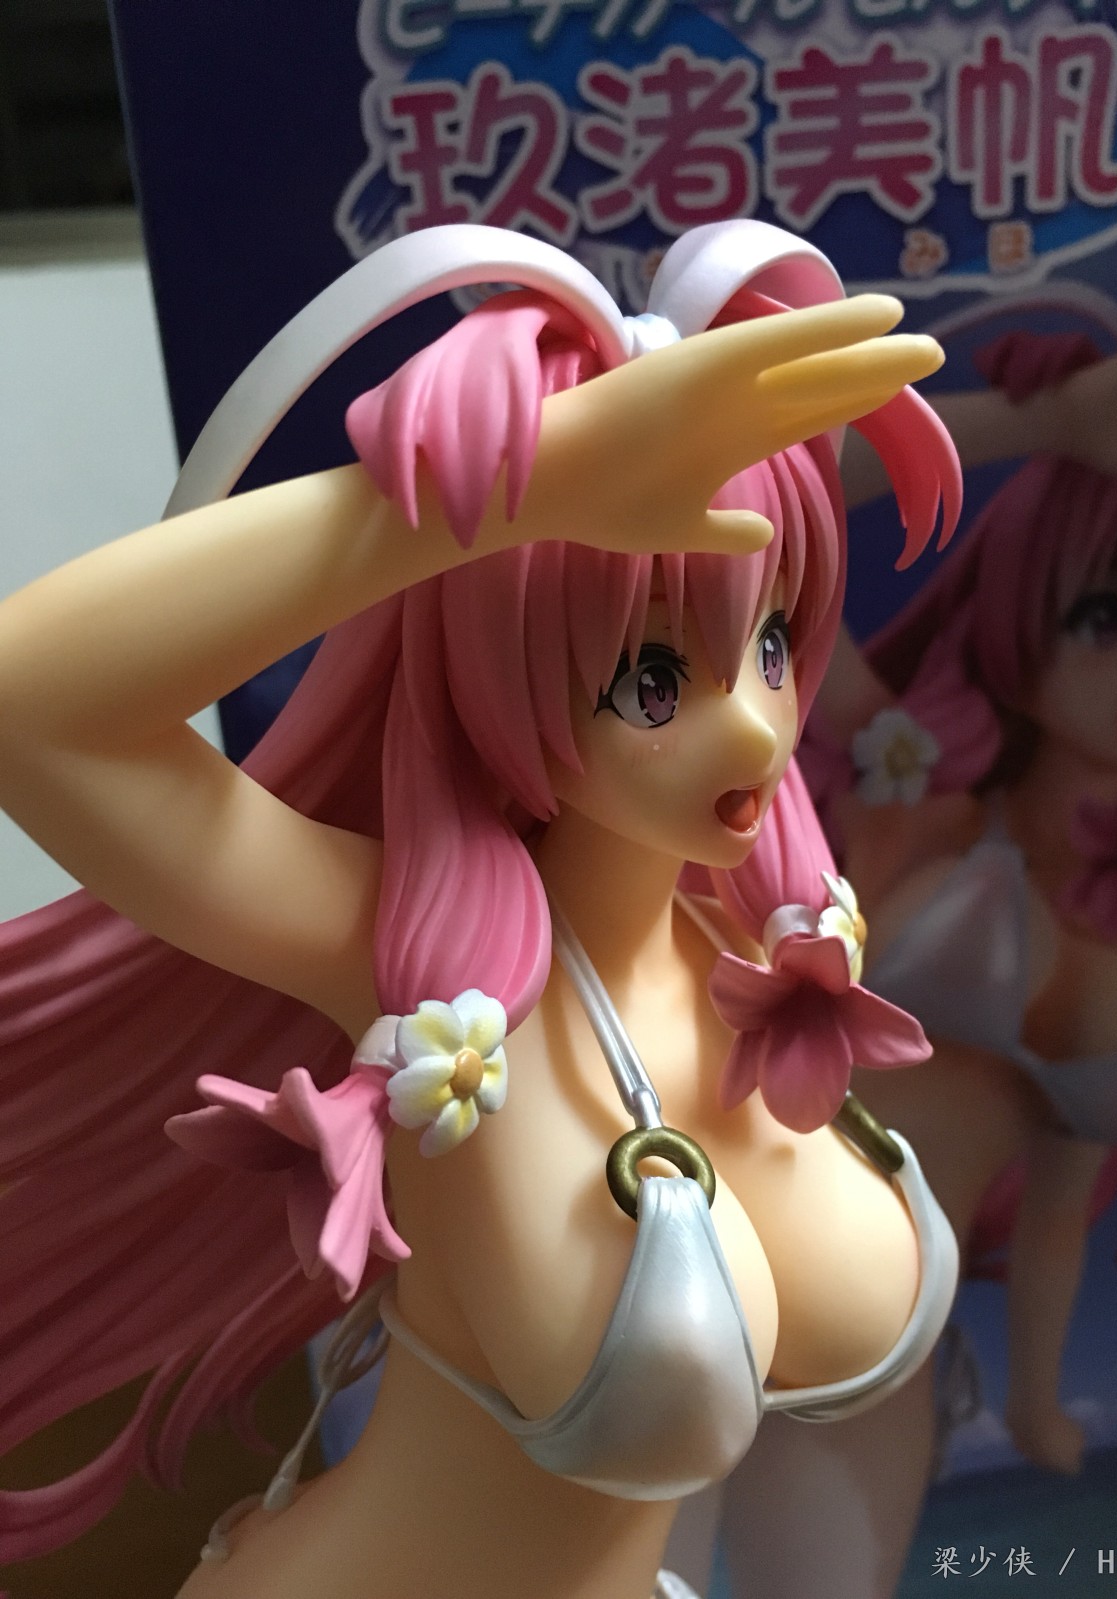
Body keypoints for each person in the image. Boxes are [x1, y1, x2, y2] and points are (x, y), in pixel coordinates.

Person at [0, 221, 961, 1599]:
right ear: (499, 666)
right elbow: (33, 703)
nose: (754, 729)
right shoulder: (401, 961)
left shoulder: (752, 934)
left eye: (767, 641)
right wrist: (510, 489)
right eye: (649, 682)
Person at [700, 328, 1117, 1599]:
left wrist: (1035, 1400)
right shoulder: (909, 780)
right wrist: (1048, 422)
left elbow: (1054, 1210)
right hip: (702, 1262)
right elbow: (740, 509)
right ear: (1025, 596)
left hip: (884, 1345)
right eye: (1104, 612)